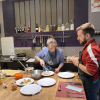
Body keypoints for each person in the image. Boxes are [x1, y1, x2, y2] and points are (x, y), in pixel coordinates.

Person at [71, 22, 100, 100]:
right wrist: (77, 60)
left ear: (87, 35)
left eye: (79, 36)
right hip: (86, 81)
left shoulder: (92, 49)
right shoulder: (87, 45)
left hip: (91, 83)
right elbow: (87, 61)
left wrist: (77, 63)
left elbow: (91, 71)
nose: (77, 38)